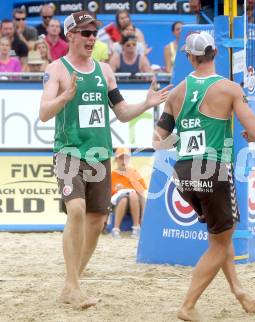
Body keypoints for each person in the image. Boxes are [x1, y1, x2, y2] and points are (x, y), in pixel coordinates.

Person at [39, 11, 171, 310]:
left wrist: (147, 103)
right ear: (69, 35)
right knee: (76, 210)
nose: (90, 38)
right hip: (69, 151)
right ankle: (72, 286)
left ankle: (71, 284)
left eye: (93, 33)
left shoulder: (104, 71)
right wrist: (65, 97)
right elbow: (44, 112)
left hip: (99, 154)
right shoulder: (56, 70)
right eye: (84, 33)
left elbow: (122, 112)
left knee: (97, 221)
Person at [152, 31, 255, 321]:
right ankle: (187, 305)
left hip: (184, 173)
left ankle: (239, 292)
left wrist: (185, 136)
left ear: (190, 57)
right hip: (214, 171)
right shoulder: (228, 89)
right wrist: (248, 133)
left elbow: (158, 140)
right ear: (215, 54)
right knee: (220, 241)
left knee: (219, 237)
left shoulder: (176, 92)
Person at [110, 147, 147, 239]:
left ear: (129, 159)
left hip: (135, 203)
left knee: (133, 194)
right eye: (121, 158)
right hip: (118, 204)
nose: (123, 161)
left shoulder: (134, 173)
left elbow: (142, 194)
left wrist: (143, 215)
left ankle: (136, 227)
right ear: (116, 160)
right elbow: (107, 196)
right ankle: (116, 229)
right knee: (124, 199)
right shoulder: (112, 175)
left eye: (126, 158)